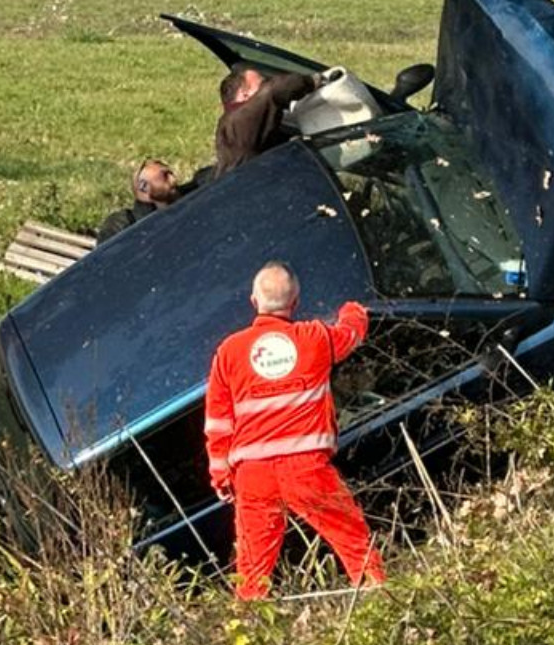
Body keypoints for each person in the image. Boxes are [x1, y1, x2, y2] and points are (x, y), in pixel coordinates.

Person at [202, 262, 384, 600]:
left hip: (253, 474)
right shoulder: (315, 338)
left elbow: (217, 423)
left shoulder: (229, 351)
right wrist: (353, 308)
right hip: (307, 468)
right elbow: (352, 333)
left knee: (253, 572)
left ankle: (251, 636)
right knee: (354, 542)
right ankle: (385, 606)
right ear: (296, 303)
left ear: (253, 301)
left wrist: (221, 478)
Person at [214, 64, 323, 177]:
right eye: (262, 84)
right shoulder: (239, 120)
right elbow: (274, 90)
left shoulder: (235, 124)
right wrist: (313, 81)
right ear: (244, 94)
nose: (266, 84)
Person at [97, 159, 187, 241]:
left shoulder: (189, 200)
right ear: (143, 187)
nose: (173, 179)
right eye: (165, 176)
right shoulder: (120, 227)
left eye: (171, 174)